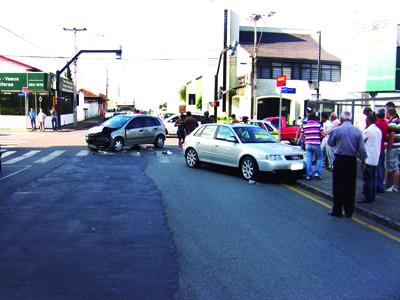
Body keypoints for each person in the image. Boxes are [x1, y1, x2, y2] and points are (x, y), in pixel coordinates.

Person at [328, 111, 366, 218]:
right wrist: (363, 161)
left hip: (340, 160)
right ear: (350, 119)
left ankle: (337, 210)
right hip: (351, 161)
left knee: (338, 185)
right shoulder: (358, 131)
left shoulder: (337, 130)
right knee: (350, 186)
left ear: (341, 119)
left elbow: (330, 143)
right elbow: (362, 150)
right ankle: (349, 211)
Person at [359, 113, 382, 203]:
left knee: (367, 179)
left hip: (368, 158)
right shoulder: (378, 130)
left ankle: (367, 197)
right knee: (372, 178)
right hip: (376, 157)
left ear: (367, 121)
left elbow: (360, 141)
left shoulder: (368, 131)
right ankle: (371, 196)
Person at [301, 112, 324, 180]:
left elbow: (301, 136)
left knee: (309, 160)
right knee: (320, 158)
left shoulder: (304, 126)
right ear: (315, 118)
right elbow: (323, 135)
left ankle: (309, 175)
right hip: (316, 144)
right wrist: (319, 138)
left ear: (308, 118)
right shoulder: (318, 125)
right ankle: (317, 173)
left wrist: (305, 141)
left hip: (308, 145)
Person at [384, 107, 399, 192]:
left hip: (393, 148)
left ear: (389, 113)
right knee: (395, 166)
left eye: (387, 112)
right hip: (398, 147)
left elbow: (392, 136)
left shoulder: (392, 123)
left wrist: (389, 147)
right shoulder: (398, 121)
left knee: (394, 168)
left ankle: (394, 187)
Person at [375, 108, 389, 193]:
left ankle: (378, 187)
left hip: (377, 149)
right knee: (380, 168)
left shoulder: (377, 124)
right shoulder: (385, 123)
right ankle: (379, 186)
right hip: (382, 148)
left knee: (377, 169)